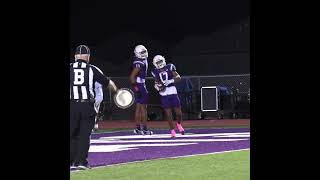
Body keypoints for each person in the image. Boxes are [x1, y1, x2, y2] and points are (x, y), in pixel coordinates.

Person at [70, 45, 118, 170]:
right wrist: (118, 92)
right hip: (87, 105)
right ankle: (81, 162)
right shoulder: (92, 69)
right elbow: (109, 83)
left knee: (72, 134)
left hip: (72, 105)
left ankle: (72, 161)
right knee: (84, 135)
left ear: (75, 56)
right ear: (88, 57)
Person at [151, 55, 185, 138]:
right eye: (157, 62)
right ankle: (172, 130)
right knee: (168, 114)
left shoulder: (170, 67)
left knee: (179, 113)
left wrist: (170, 81)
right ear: (155, 64)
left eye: (160, 61)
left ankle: (179, 124)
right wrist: (157, 86)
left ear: (163, 60)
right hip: (164, 94)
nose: (159, 64)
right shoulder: (155, 71)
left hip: (172, 91)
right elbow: (156, 82)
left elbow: (178, 77)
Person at [129, 45, 153, 135]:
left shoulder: (140, 60)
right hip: (141, 85)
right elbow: (132, 77)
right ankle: (145, 129)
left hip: (139, 85)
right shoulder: (139, 62)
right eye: (141, 52)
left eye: (144, 52)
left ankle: (138, 128)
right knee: (143, 108)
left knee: (139, 107)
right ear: (137, 53)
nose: (144, 54)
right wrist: (137, 88)